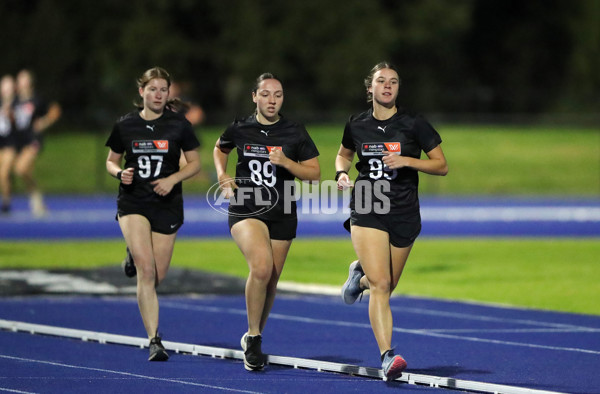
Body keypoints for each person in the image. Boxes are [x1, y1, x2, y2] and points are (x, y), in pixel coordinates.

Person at [335, 62, 448, 381]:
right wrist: (341, 172)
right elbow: (343, 154)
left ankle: (359, 277)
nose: (387, 86)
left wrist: (407, 161)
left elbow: (441, 166)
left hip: (404, 211)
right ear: (369, 88)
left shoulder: (414, 124)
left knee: (386, 284)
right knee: (382, 285)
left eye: (394, 82)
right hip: (368, 205)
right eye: (381, 81)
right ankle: (387, 356)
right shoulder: (356, 123)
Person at [213, 73, 320, 371]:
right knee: (260, 267)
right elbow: (219, 148)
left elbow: (314, 173)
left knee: (271, 279)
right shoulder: (240, 127)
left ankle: (251, 335)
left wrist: (287, 162)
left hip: (283, 210)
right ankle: (256, 337)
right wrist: (222, 175)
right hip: (246, 207)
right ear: (254, 97)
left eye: (278, 95)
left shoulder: (294, 131)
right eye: (266, 94)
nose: (272, 100)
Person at [105, 67, 201, 361]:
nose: (158, 95)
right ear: (141, 92)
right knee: (146, 273)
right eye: (152, 89)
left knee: (156, 275)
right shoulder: (125, 125)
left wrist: (172, 180)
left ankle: (134, 253)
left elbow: (194, 164)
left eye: (163, 90)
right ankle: (155, 340)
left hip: (167, 204)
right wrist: (120, 173)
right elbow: (110, 161)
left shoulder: (179, 125)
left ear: (168, 93)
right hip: (134, 202)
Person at [12, 69, 61, 217]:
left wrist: (44, 122)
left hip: (34, 140)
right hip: (19, 141)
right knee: (23, 172)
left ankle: (35, 197)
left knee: (20, 169)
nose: (22, 82)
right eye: (20, 79)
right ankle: (36, 198)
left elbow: (55, 110)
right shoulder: (15, 101)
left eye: (24, 79)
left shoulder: (37, 99)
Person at [0, 74, 16, 213]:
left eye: (8, 87)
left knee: (4, 174)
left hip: (10, 144)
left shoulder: (17, 103)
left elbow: (21, 124)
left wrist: (10, 114)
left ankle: (6, 202)